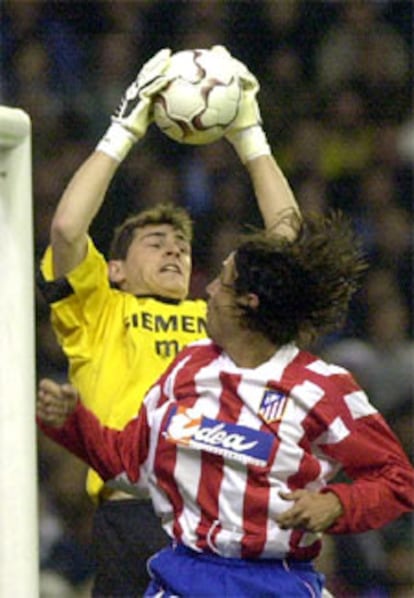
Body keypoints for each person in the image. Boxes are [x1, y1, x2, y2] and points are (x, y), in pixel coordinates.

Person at [37, 210, 414, 597]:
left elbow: (398, 480)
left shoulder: (322, 387)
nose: (210, 290)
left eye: (223, 280)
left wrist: (337, 503)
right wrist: (73, 423)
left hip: (274, 581)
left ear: (247, 303)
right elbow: (127, 460)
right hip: (184, 574)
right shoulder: (188, 366)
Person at [37, 46, 300, 596]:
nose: (175, 251)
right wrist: (127, 123)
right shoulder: (100, 309)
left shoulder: (219, 316)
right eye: (156, 243)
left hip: (222, 517)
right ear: (114, 269)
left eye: (181, 245)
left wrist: (251, 136)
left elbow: (287, 245)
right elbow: (65, 228)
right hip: (136, 516)